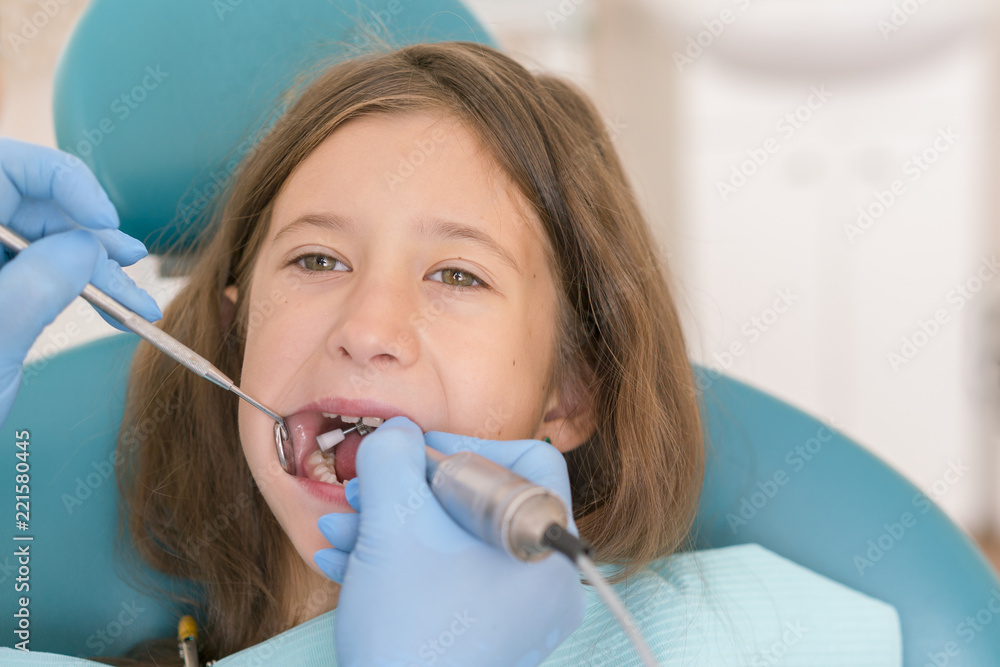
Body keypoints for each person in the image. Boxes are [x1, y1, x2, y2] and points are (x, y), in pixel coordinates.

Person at [0, 42, 900, 666]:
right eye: (318, 258)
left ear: (571, 392)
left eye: (457, 274)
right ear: (235, 334)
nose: (370, 325)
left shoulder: (727, 636)